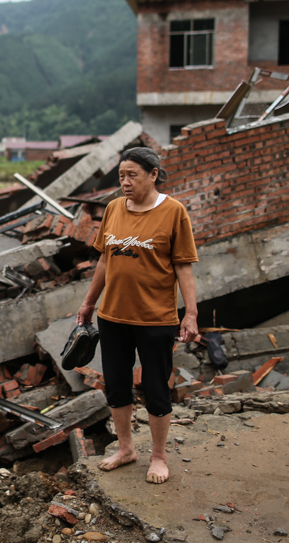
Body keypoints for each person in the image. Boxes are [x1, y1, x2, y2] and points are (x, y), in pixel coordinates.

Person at [75, 146, 198, 485]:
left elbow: (183, 266)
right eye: (121, 176)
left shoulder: (174, 212)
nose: (125, 182)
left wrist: (191, 315)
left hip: (156, 319)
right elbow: (104, 260)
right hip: (112, 316)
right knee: (116, 385)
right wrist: (89, 302)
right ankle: (126, 448)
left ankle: (158, 456)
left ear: (153, 174)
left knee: (157, 388)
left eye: (133, 175)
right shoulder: (114, 208)